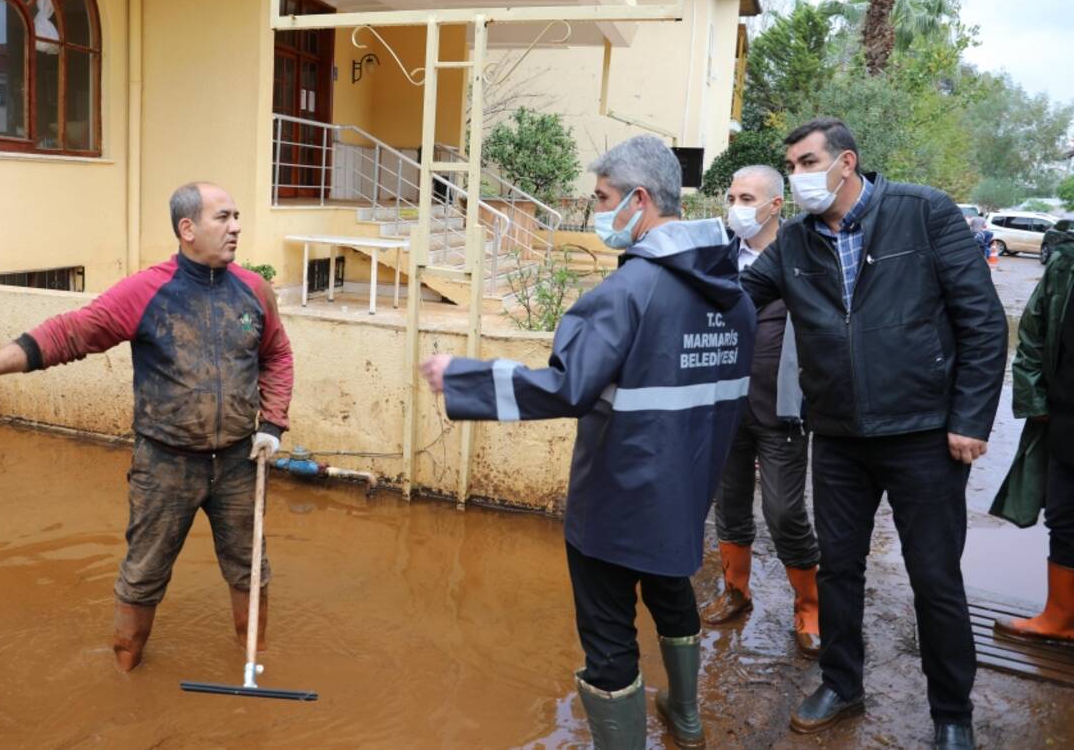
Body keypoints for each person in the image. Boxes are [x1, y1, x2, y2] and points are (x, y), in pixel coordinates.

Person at [421, 136, 756, 749]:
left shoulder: (628, 292)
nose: (597, 212)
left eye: (602, 199)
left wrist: (463, 376)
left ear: (638, 199)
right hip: (686, 491)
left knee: (608, 636)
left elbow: (568, 387)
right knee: (671, 592)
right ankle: (685, 718)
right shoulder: (735, 297)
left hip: (617, 496)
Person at [0, 183, 294, 672]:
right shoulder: (147, 291)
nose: (237, 226)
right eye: (223, 217)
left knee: (250, 572)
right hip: (166, 466)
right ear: (187, 229)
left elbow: (277, 355)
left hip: (242, 464)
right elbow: (69, 332)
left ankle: (254, 663)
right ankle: (125, 671)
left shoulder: (254, 290)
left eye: (237, 216)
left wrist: (274, 423)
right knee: (143, 575)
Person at [739, 118, 1007, 750]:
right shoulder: (797, 243)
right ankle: (841, 682)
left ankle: (951, 714)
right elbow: (736, 296)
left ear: (846, 162)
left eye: (808, 162)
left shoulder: (924, 213)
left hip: (923, 435)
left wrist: (969, 419)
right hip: (837, 436)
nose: (800, 176)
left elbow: (983, 323)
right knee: (839, 569)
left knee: (934, 577)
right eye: (794, 165)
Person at [703, 165, 821, 658]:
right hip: (726, 406)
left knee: (784, 509)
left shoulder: (804, 256)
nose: (736, 206)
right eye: (731, 196)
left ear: (776, 206)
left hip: (782, 408)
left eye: (747, 197)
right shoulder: (716, 256)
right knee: (729, 505)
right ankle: (736, 592)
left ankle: (810, 607)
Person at [991, 218, 1074, 643]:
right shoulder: (1067, 262)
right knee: (1064, 517)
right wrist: (1036, 402)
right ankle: (1060, 618)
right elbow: (1033, 335)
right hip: (1066, 421)